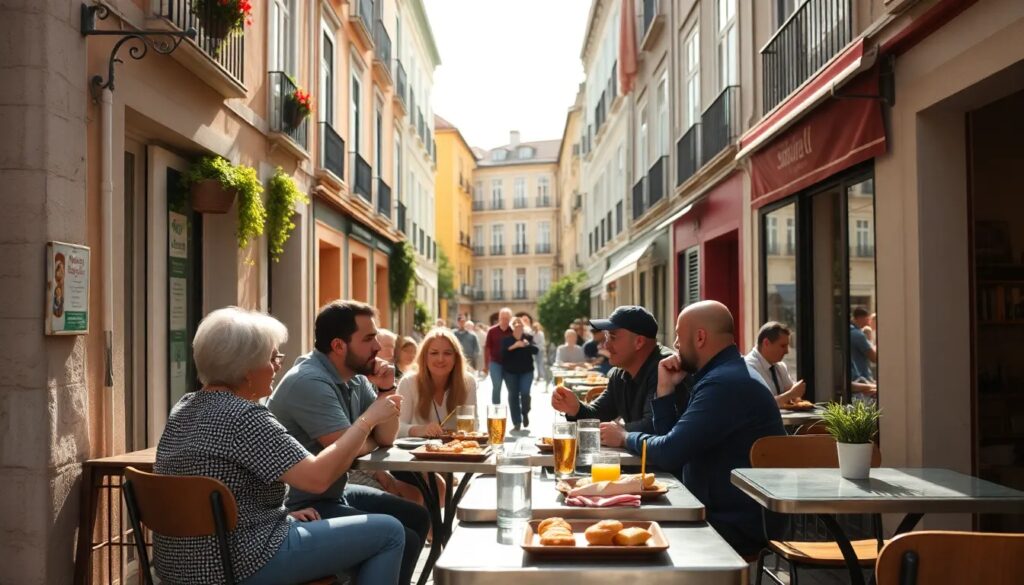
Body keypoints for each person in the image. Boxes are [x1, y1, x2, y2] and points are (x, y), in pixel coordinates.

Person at [154, 307, 405, 585]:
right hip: (241, 561)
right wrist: (368, 420)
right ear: (246, 368)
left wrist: (279, 516)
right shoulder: (245, 416)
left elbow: (223, 489)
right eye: (273, 357)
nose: (278, 366)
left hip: (180, 564)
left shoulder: (184, 407)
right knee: (390, 531)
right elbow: (317, 479)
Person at [268, 301, 430, 585]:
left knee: (416, 516)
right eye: (368, 339)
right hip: (301, 502)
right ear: (339, 346)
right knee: (404, 536)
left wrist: (386, 389)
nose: (378, 347)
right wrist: (363, 430)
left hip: (332, 490)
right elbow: (347, 445)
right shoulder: (310, 381)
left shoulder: (355, 378)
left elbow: (385, 437)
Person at [624, 301, 786, 557]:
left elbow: (669, 453)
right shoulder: (723, 375)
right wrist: (665, 391)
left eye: (678, 335)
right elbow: (675, 451)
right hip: (720, 511)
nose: (675, 344)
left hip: (735, 524)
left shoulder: (725, 384)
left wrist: (625, 437)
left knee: (632, 539)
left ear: (700, 337)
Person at [552, 306, 689, 444]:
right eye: (606, 337)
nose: (605, 345)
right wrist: (575, 408)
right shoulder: (620, 372)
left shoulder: (665, 368)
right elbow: (598, 414)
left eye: (612, 337)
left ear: (639, 342)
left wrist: (620, 433)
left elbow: (655, 426)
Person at [397, 328, 478, 437]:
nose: (440, 359)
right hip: (415, 452)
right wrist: (421, 430)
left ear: (456, 357)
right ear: (424, 357)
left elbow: (474, 426)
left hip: (455, 451)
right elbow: (397, 428)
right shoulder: (408, 383)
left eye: (447, 353)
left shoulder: (468, 382)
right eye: (434, 353)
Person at [744, 322, 807, 407]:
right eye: (783, 346)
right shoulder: (749, 367)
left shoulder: (780, 367)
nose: (787, 351)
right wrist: (790, 394)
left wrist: (795, 395)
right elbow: (760, 405)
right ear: (766, 343)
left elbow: (793, 395)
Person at [501, 317, 539, 430]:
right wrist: (514, 346)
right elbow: (503, 354)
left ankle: (525, 412)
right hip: (510, 373)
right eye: (515, 323)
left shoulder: (528, 338)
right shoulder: (506, 340)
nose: (518, 325)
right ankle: (517, 422)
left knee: (525, 393)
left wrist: (527, 345)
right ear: (512, 327)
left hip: (526, 372)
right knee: (513, 396)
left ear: (523, 326)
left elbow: (536, 351)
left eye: (520, 323)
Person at [483, 307, 514, 404]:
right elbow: (487, 348)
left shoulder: (513, 331)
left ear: (510, 319)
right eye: (502, 318)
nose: (504, 321)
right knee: (496, 386)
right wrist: (486, 365)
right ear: (499, 318)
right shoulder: (492, 331)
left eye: (507, 318)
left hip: (510, 364)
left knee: (512, 388)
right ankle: (496, 410)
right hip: (495, 363)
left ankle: (513, 409)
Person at [850, 307, 878, 383]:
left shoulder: (850, 332)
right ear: (861, 318)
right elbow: (874, 358)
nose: (869, 322)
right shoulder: (858, 335)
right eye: (868, 319)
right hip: (862, 378)